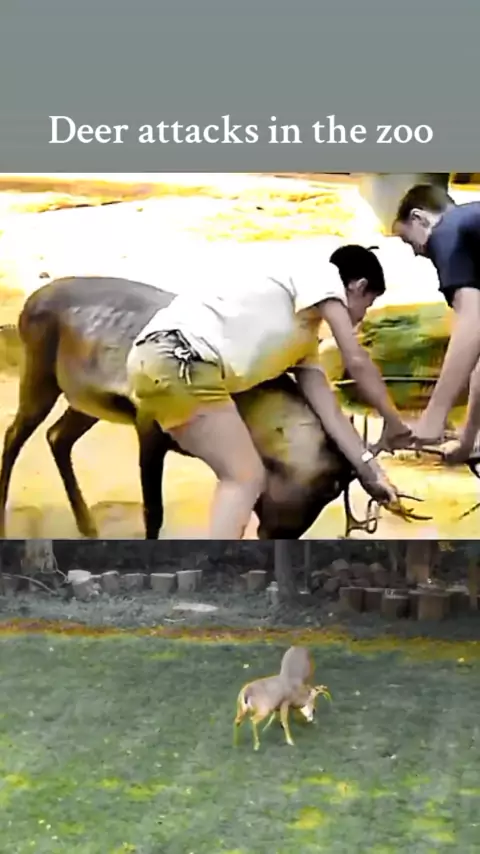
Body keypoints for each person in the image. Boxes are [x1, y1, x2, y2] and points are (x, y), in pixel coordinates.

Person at [126, 244, 412, 538]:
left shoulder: (301, 340)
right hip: (179, 357)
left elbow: (332, 415)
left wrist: (370, 471)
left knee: (243, 475)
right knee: (244, 478)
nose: (363, 316)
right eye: (368, 303)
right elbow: (356, 360)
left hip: (157, 363)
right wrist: (394, 421)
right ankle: (217, 563)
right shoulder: (319, 274)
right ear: (358, 286)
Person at [393, 183, 480, 463]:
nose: (417, 252)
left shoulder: (448, 231)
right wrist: (467, 441)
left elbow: (472, 322)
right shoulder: (471, 226)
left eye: (408, 241)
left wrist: (434, 415)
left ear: (419, 218)